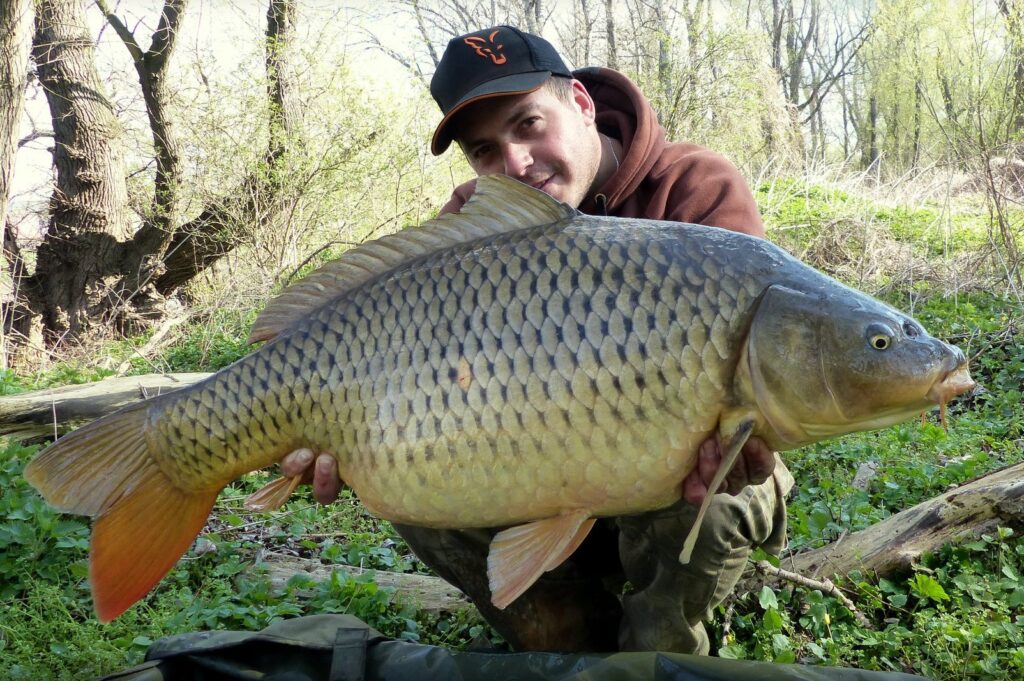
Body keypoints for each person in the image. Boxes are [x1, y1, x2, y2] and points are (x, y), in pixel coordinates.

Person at [279, 25, 794, 655]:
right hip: (528, 470)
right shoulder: (474, 228)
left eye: (528, 125)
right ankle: (560, 635)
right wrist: (339, 435)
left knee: (726, 482)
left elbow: (755, 374)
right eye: (486, 152)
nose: (516, 165)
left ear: (581, 102)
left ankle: (657, 650)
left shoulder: (692, 187)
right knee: (405, 474)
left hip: (665, 480)